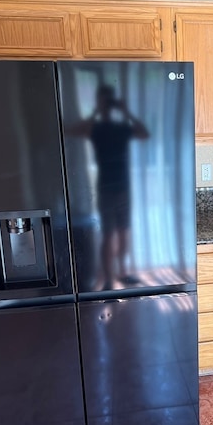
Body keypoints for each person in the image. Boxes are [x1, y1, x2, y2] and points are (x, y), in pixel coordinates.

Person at [69, 84, 149, 290]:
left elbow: (144, 134)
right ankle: (107, 279)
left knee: (124, 232)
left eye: (107, 100)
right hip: (106, 188)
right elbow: (71, 131)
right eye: (102, 100)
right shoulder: (95, 127)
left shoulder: (120, 127)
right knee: (108, 235)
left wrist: (126, 111)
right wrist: (96, 111)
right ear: (99, 102)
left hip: (124, 187)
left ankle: (122, 272)